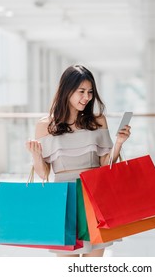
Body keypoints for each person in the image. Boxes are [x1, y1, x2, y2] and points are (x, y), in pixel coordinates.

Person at [26, 64, 131, 257]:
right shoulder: (44, 126)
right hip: (64, 198)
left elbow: (105, 166)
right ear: (66, 90)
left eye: (90, 92)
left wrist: (119, 143)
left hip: (95, 194)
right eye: (81, 91)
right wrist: (35, 154)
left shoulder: (97, 121)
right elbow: (43, 173)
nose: (87, 97)